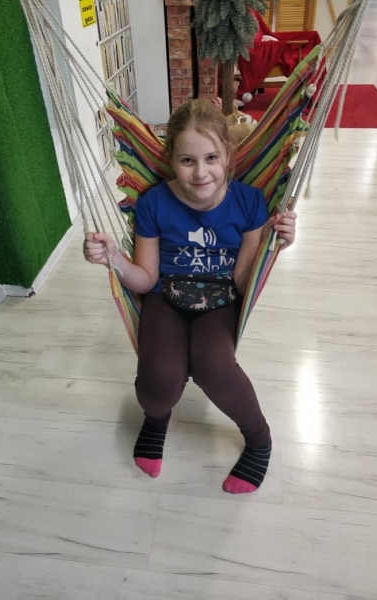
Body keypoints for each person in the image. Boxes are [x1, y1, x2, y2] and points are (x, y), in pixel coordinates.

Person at [83, 99, 297, 494]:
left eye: (211, 157)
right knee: (157, 383)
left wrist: (271, 245)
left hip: (221, 298)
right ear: (171, 160)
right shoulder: (154, 203)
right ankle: (156, 419)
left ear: (228, 156)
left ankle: (259, 438)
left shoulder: (249, 202)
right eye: (187, 161)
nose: (201, 172)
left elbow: (243, 281)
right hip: (165, 296)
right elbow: (146, 279)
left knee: (214, 368)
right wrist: (114, 258)